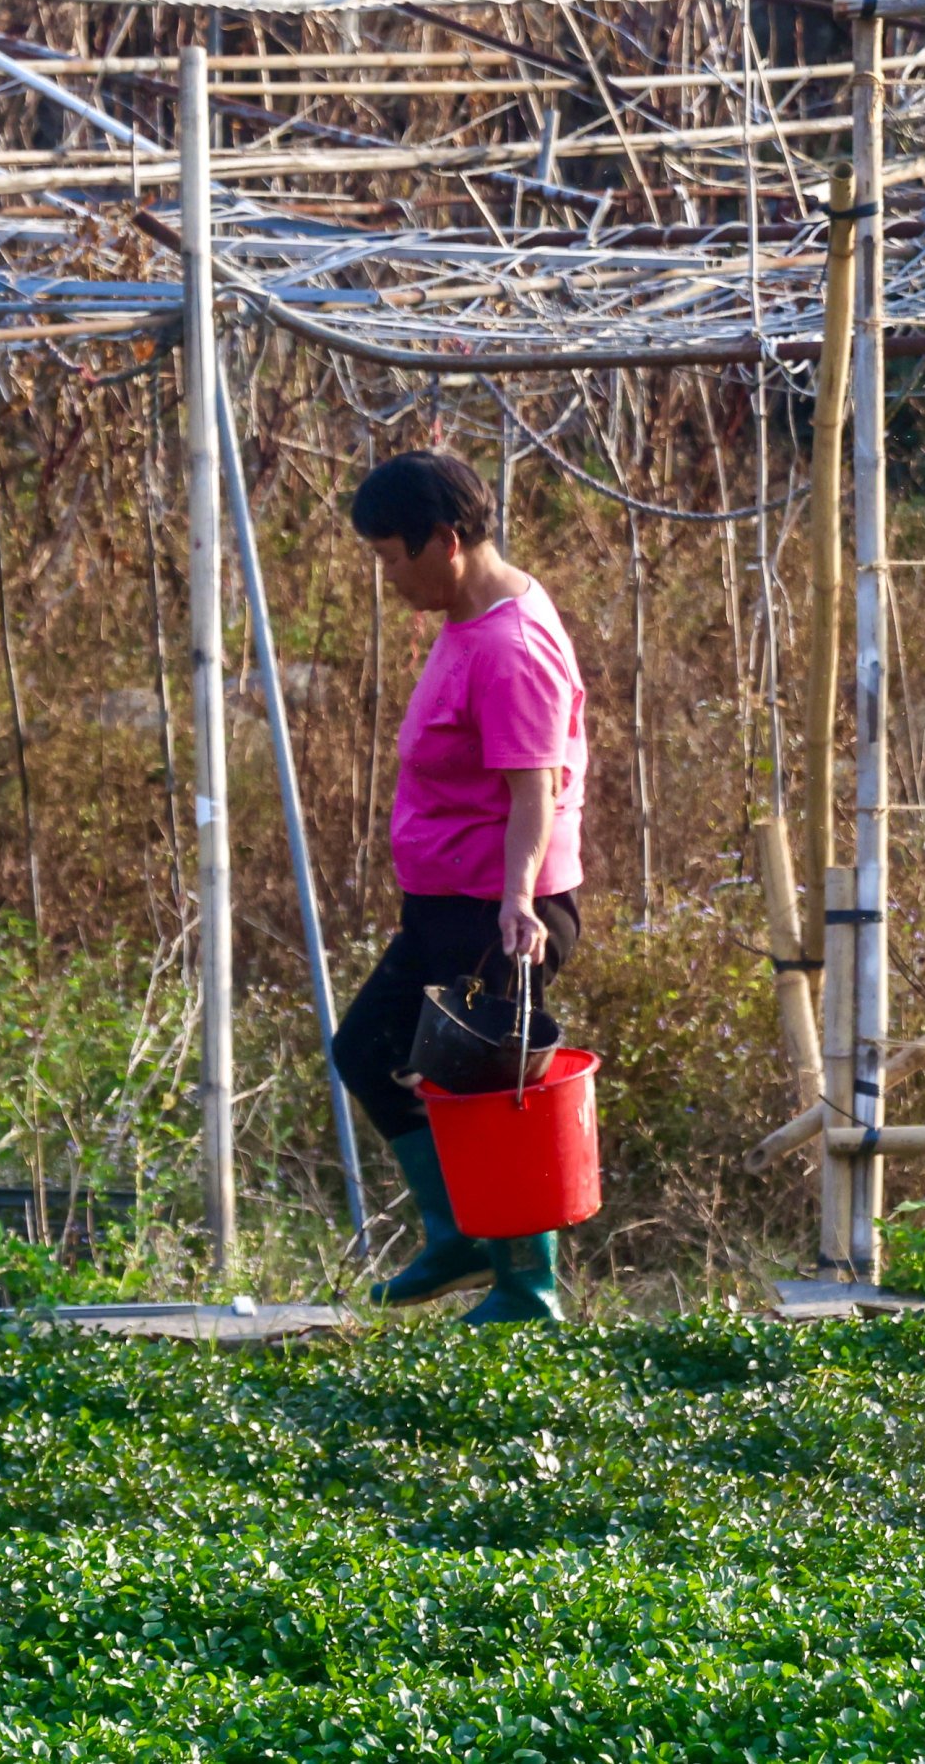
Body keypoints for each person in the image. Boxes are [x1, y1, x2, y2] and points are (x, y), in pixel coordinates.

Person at [333, 448, 585, 1323]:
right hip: (453, 903)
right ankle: (462, 1239)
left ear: (443, 541)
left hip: (500, 911)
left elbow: (535, 791)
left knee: (493, 1091)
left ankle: (527, 1287)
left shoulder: (513, 648)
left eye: (389, 555)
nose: (386, 575)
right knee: (369, 1053)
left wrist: (516, 901)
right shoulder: (470, 619)